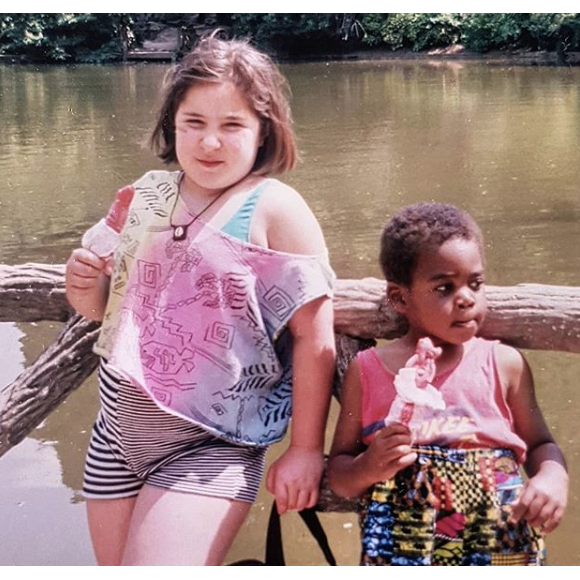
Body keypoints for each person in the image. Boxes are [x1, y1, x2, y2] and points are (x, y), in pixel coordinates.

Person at [65, 34, 336, 566]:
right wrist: (84, 286)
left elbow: (314, 336)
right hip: (116, 435)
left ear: (264, 133)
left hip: (212, 442)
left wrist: (306, 448)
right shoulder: (145, 195)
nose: (210, 142)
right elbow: (111, 313)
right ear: (172, 125)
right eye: (194, 123)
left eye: (232, 125)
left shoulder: (274, 207)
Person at [328, 203, 568, 566]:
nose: (466, 298)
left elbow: (542, 444)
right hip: (402, 547)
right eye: (445, 287)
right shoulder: (366, 372)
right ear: (399, 298)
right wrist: (368, 467)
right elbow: (340, 474)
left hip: (502, 542)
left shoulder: (504, 365)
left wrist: (552, 478)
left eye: (475, 283)